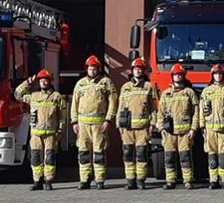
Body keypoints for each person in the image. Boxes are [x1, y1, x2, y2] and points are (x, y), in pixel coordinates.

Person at [71, 55, 117, 190]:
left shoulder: (106, 82)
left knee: (99, 152)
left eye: (95, 69)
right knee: (83, 153)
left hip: (99, 125)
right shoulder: (80, 84)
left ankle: (100, 180)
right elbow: (75, 103)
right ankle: (84, 180)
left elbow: (113, 102)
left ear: (99, 69)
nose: (92, 71)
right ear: (87, 69)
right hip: (83, 125)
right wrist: (74, 122)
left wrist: (108, 119)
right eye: (90, 69)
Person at [14, 69, 65, 191]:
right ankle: (37, 181)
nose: (43, 83)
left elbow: (62, 116)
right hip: (36, 135)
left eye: (45, 80)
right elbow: (17, 94)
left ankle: (48, 180)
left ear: (49, 81)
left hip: (50, 135)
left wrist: (60, 130)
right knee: (36, 158)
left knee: (49, 158)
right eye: (41, 81)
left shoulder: (56, 97)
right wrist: (27, 82)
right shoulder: (33, 96)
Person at [117, 57, 158, 190]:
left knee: (141, 154)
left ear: (143, 71)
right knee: (127, 154)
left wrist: (152, 124)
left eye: (140, 69)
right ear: (132, 71)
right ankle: (130, 180)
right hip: (127, 128)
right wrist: (119, 125)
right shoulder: (125, 87)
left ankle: (141, 180)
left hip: (143, 128)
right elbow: (120, 107)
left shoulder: (148, 87)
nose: (138, 71)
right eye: (135, 69)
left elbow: (154, 109)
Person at [198, 64, 224, 189]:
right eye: (216, 74)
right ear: (212, 76)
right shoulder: (207, 91)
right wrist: (202, 126)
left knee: (223, 156)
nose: (218, 76)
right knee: (211, 155)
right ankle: (213, 180)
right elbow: (201, 109)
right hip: (210, 129)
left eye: (220, 74)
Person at [159, 63, 199, 190]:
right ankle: (170, 181)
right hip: (169, 133)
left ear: (183, 76)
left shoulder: (189, 93)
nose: (178, 76)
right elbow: (160, 113)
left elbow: (196, 113)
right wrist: (161, 129)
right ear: (172, 76)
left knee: (185, 157)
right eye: (176, 74)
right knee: (169, 158)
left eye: (180, 74)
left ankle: (188, 180)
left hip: (185, 132)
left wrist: (193, 129)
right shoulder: (166, 94)